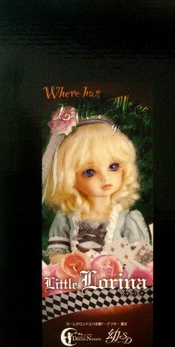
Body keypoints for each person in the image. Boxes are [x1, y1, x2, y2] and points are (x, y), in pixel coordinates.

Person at [42, 106, 151, 264]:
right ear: (70, 178)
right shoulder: (66, 218)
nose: (105, 178)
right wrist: (76, 264)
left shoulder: (128, 220)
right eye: (89, 172)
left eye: (113, 167)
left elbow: (142, 262)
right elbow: (55, 257)